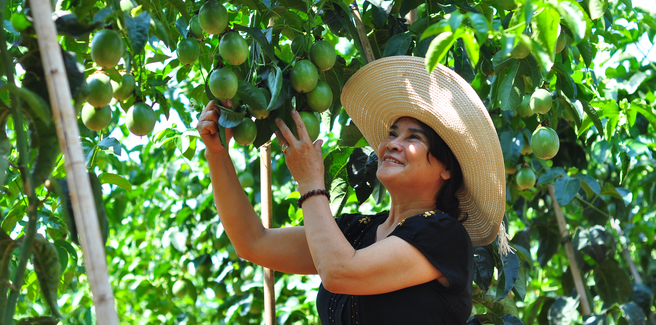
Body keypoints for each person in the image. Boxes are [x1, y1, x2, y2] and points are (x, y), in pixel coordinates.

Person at [197, 56, 508, 325]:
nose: (392, 144)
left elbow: (340, 272)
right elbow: (253, 243)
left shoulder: (443, 235)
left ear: (446, 168)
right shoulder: (354, 232)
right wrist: (217, 153)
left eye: (414, 138)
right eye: (392, 133)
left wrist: (310, 183)